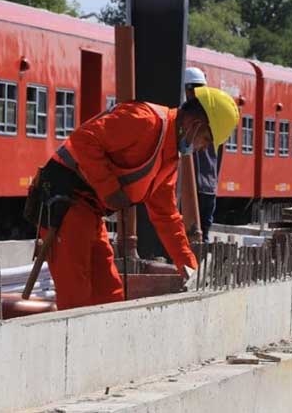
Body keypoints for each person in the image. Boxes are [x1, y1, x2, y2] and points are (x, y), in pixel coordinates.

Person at [36, 87, 239, 309]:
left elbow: (166, 215)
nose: (203, 148)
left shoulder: (169, 156)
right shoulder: (144, 121)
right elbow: (83, 141)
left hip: (89, 211)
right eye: (206, 140)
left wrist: (188, 266)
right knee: (76, 297)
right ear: (195, 124)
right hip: (64, 203)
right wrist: (110, 189)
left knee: (109, 295)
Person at [184, 68, 222, 242]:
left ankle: (191, 265)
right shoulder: (214, 118)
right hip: (208, 186)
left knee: (192, 232)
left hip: (198, 187)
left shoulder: (189, 117)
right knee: (201, 233)